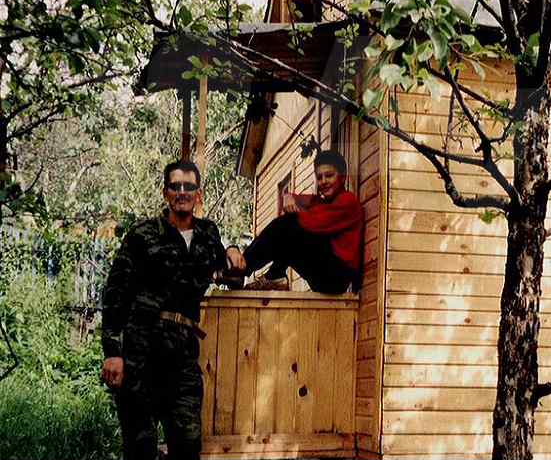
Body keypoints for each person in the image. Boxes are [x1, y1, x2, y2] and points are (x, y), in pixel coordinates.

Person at [100, 160, 244, 460]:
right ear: (165, 192)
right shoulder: (143, 234)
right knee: (140, 446)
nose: (182, 192)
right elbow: (116, 292)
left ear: (198, 194)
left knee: (188, 445)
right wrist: (113, 352)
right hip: (141, 352)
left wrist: (232, 250)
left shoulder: (207, 234)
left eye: (188, 186)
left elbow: (228, 272)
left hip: (183, 357)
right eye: (175, 186)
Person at [229, 149, 363, 294]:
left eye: (329, 175)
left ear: (342, 178)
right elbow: (299, 199)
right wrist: (288, 197)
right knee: (288, 229)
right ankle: (274, 275)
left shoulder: (347, 202)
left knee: (288, 225)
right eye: (319, 177)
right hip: (326, 274)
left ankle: (242, 268)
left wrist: (292, 213)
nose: (323, 181)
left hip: (337, 277)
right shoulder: (322, 202)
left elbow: (310, 223)